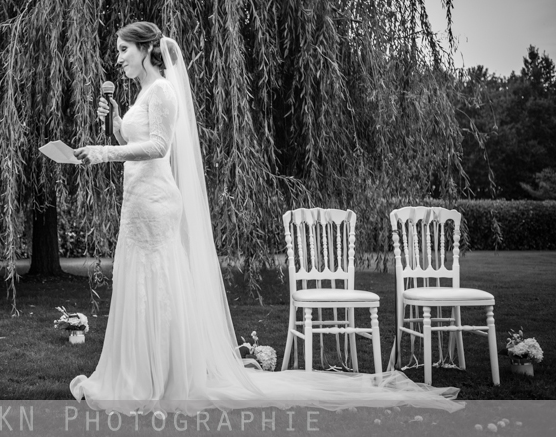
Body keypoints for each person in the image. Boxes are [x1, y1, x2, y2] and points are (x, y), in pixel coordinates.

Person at [71, 21, 462, 415]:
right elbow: (133, 141)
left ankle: (160, 381)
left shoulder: (163, 90)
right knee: (137, 284)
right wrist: (117, 123)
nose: (118, 58)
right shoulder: (142, 95)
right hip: (137, 202)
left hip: (156, 205)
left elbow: (158, 147)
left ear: (145, 48)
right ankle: (137, 375)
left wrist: (102, 151)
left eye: (124, 49)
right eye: (118, 50)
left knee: (156, 288)